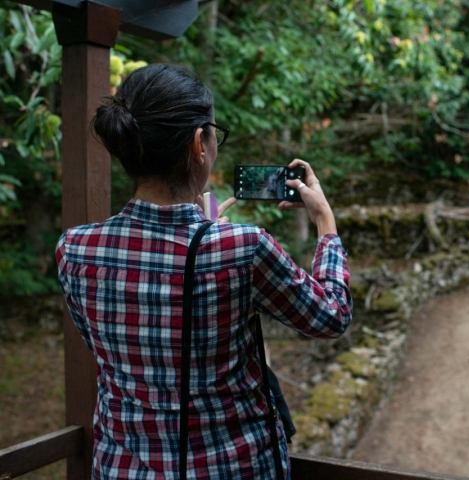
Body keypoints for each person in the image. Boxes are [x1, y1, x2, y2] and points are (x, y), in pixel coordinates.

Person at [55, 63, 352, 479]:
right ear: (199, 143)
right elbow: (331, 315)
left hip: (123, 468)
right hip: (232, 466)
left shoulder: (75, 249)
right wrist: (325, 223)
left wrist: (200, 228)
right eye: (215, 134)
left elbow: (106, 346)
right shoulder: (244, 248)